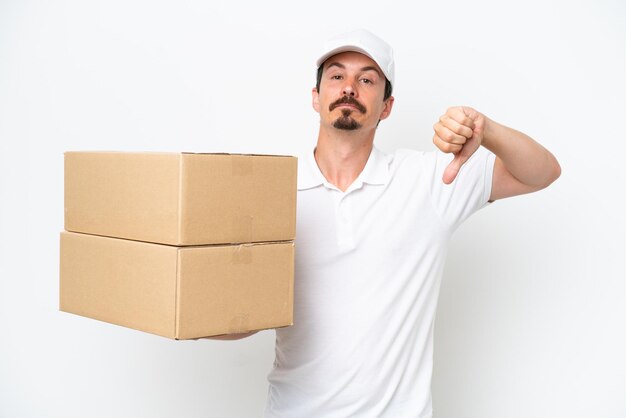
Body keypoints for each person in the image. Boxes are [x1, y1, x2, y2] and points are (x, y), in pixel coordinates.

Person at [218, 29, 561, 417]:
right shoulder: (273, 194)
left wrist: (486, 129)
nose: (349, 87)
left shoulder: (432, 180)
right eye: (336, 76)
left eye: (367, 79)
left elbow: (543, 172)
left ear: (386, 106)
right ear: (316, 98)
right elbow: (243, 316)